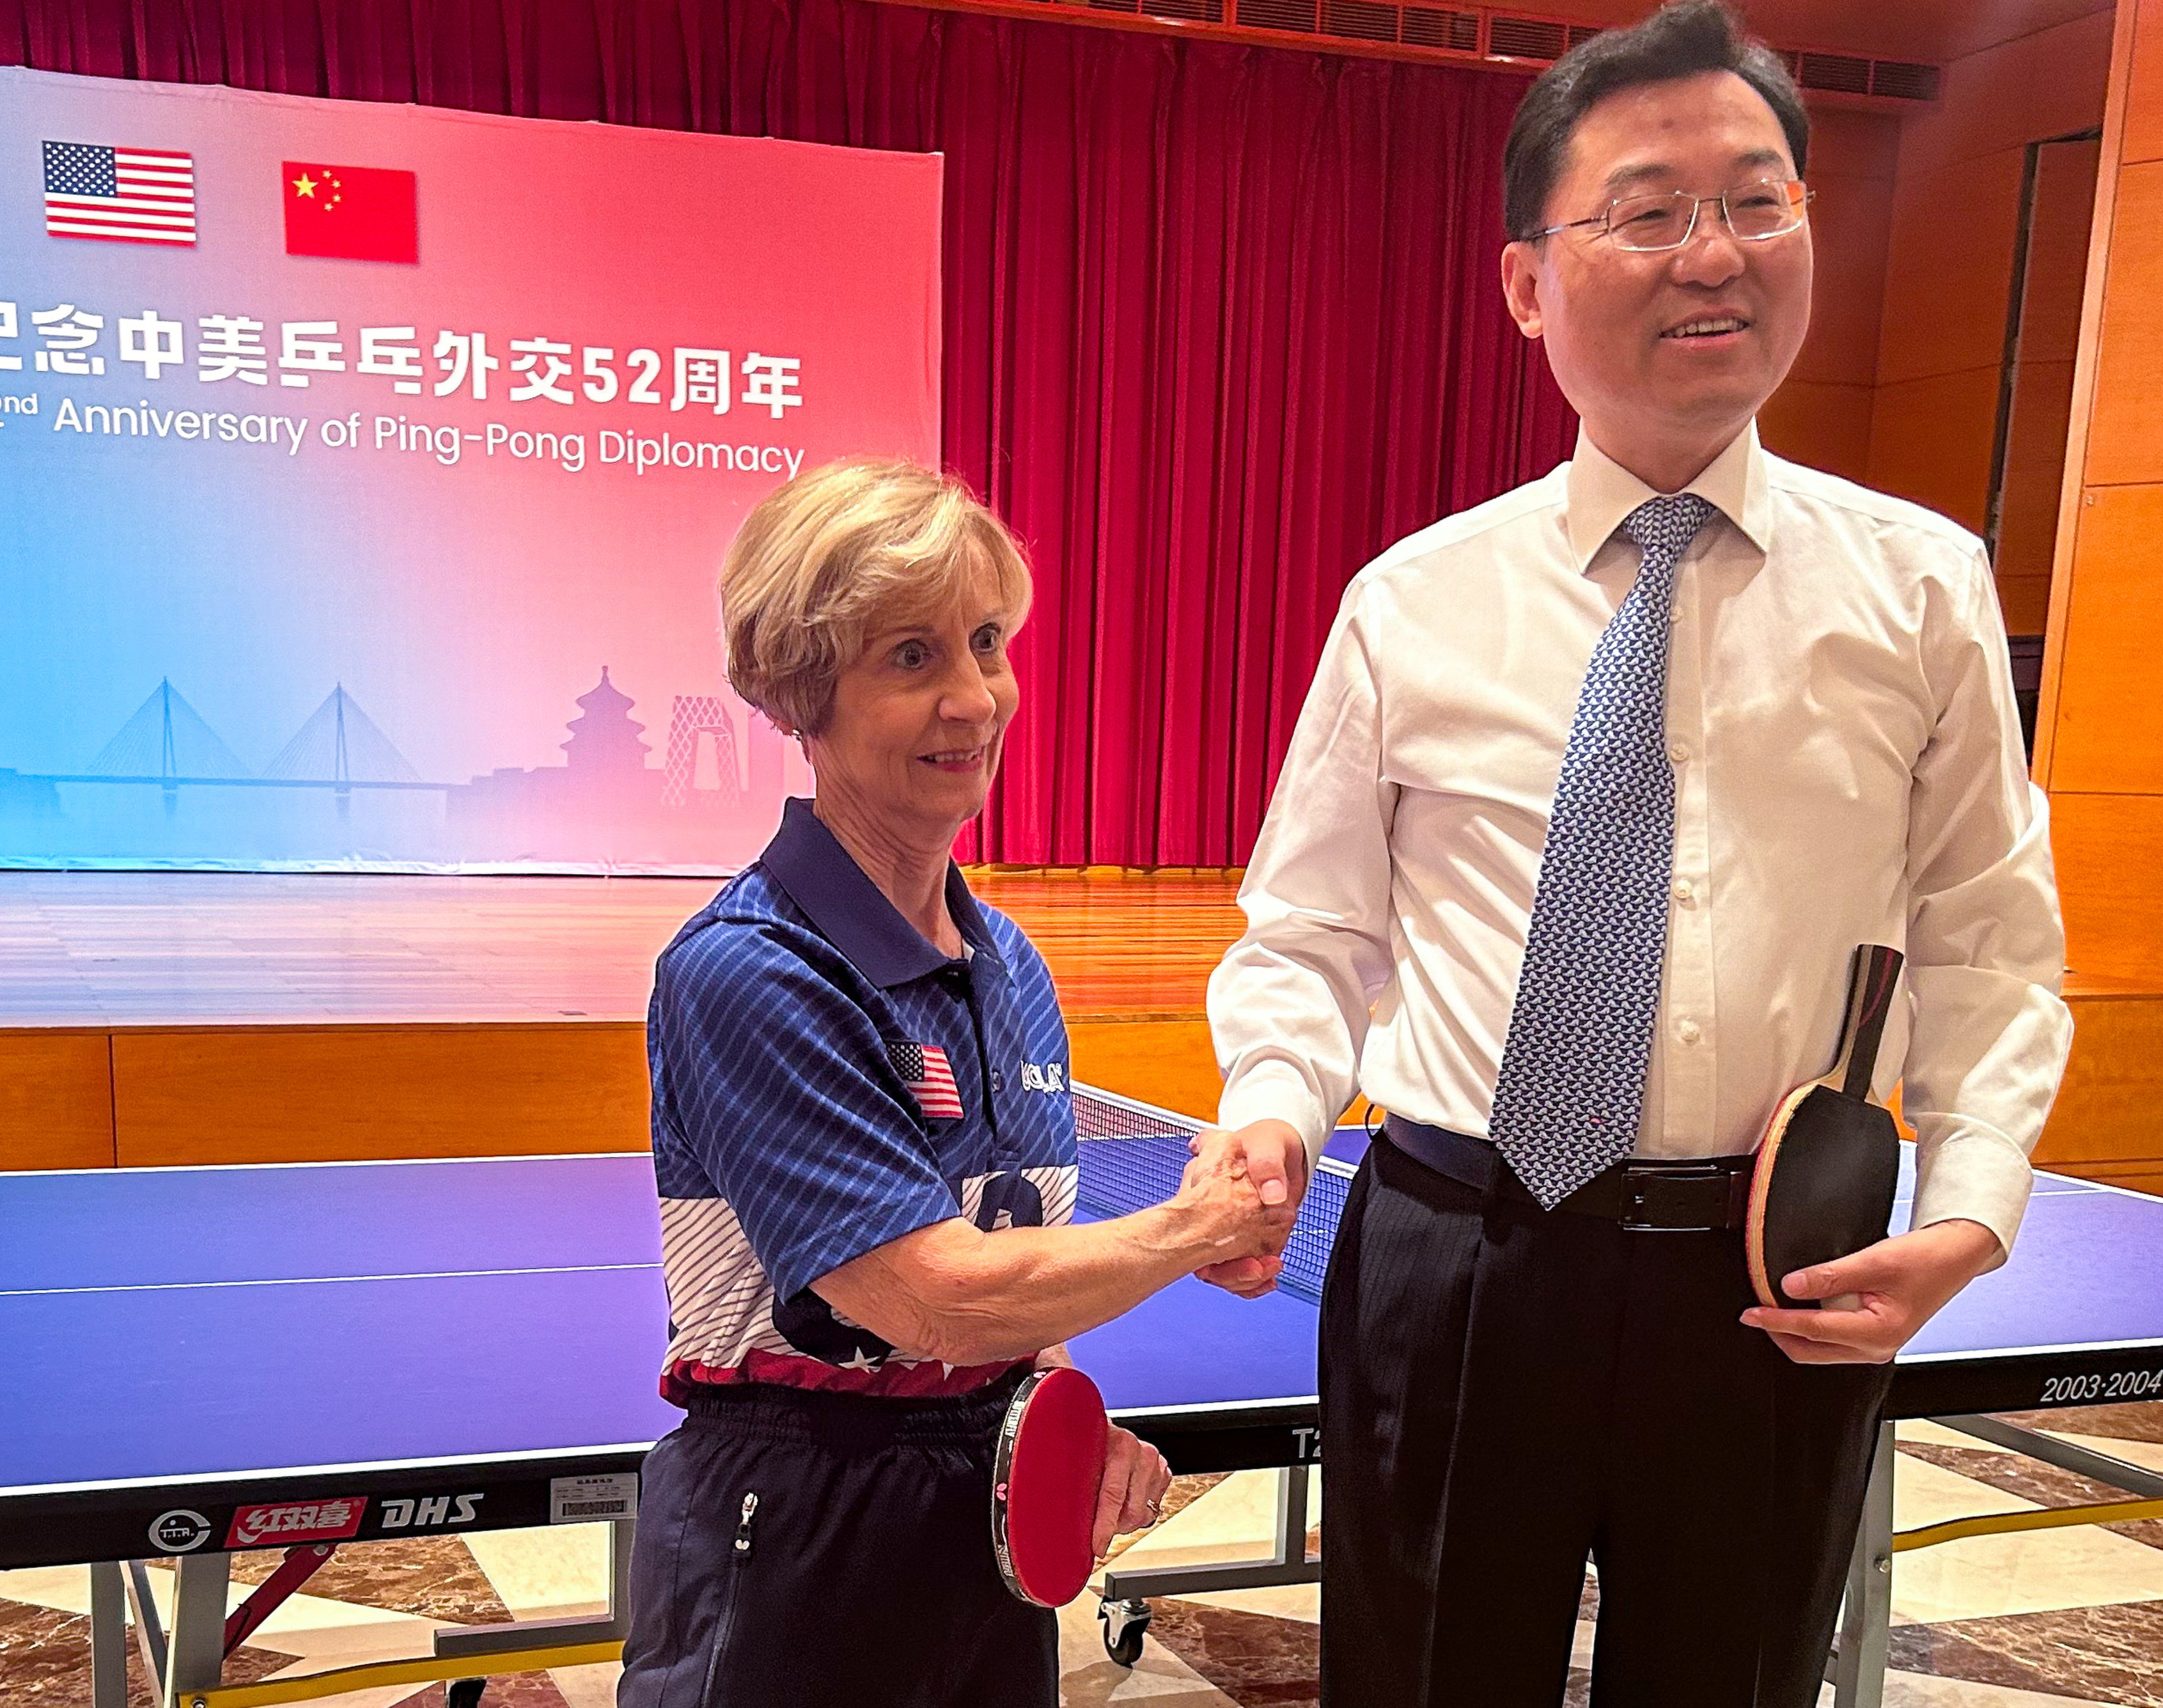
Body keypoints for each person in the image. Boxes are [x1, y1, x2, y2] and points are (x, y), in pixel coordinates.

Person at [1200, 5, 2073, 1704]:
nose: (1716, 254)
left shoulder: (1921, 588)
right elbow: (1307, 934)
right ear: (1528, 279)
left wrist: (1969, 1207)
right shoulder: (1414, 600)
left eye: (1762, 199)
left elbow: (1988, 929)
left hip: (1769, 1275)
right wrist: (1272, 1109)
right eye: (1650, 208)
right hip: (1461, 1252)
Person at [618, 458, 1293, 1707]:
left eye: (985, 642)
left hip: (972, 1528)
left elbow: (1005, 1302)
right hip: (789, 1530)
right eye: (911, 657)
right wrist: (1194, 1224)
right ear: (801, 694)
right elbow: (926, 1297)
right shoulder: (748, 972)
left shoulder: (1009, 966)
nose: (975, 698)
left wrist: (1067, 1429)